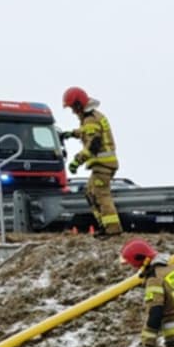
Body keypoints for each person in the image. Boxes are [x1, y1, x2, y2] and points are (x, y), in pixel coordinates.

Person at [60, 87, 120, 237]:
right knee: (90, 192)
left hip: (103, 164)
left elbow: (92, 145)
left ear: (79, 104)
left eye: (73, 107)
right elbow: (86, 132)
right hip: (104, 164)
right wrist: (72, 133)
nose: (73, 111)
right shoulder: (92, 116)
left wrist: (76, 161)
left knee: (101, 195)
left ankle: (112, 230)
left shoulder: (90, 119)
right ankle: (104, 226)